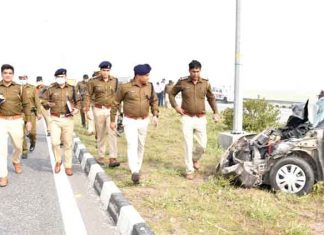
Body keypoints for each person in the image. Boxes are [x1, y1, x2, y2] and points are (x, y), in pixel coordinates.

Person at [169, 60, 220, 180]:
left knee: (203, 145)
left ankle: (195, 159)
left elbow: (211, 98)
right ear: (189, 71)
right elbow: (171, 94)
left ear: (200, 71)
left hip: (201, 118)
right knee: (188, 144)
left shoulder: (205, 83)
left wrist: (216, 112)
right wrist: (176, 107)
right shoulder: (182, 82)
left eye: (197, 71)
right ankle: (189, 170)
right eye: (193, 71)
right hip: (187, 117)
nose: (195, 74)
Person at [110, 64, 159, 184]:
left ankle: (137, 166)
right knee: (132, 144)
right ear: (138, 75)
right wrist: (112, 120)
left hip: (144, 120)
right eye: (146, 75)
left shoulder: (150, 87)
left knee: (141, 145)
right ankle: (134, 171)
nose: (148, 77)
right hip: (130, 121)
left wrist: (155, 114)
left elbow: (154, 101)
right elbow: (115, 102)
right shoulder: (125, 87)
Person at [42, 68, 80, 176]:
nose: (60, 79)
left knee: (68, 143)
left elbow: (78, 101)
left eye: (62, 77)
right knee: (55, 142)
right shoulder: (51, 88)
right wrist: (47, 104)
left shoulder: (72, 88)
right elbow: (43, 100)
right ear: (56, 78)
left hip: (68, 119)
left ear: (66, 77)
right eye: (58, 77)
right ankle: (58, 161)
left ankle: (68, 166)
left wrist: (76, 109)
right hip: (55, 119)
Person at [0, 64, 32, 187]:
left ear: (12, 75)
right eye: (5, 73)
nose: (7, 75)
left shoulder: (20, 88)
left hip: (17, 120)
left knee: (18, 146)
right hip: (1, 121)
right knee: (1, 150)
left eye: (10, 73)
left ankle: (16, 160)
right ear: (2, 74)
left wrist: (28, 120)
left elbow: (26, 104)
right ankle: (3, 176)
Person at [84, 61, 120, 167]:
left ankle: (113, 158)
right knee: (100, 133)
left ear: (110, 71)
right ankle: (101, 156)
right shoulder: (93, 82)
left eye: (107, 70)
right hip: (98, 109)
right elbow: (87, 95)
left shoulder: (115, 81)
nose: (105, 72)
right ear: (100, 70)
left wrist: (120, 110)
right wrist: (86, 108)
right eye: (104, 70)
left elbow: (118, 96)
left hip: (111, 110)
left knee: (112, 132)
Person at [19, 75, 42, 159]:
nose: (22, 80)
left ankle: (33, 142)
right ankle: (24, 150)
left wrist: (39, 112)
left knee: (32, 132)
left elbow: (37, 101)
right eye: (20, 78)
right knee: (21, 133)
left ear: (27, 78)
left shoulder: (32, 88)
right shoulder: (17, 88)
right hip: (20, 113)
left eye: (24, 78)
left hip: (31, 113)